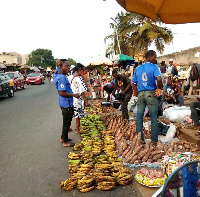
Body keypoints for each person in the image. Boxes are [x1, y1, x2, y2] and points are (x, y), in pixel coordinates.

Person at [132, 50, 162, 143]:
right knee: (153, 117)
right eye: (154, 57)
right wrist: (159, 88)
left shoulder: (138, 68)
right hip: (151, 94)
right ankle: (154, 140)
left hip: (141, 94)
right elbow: (159, 78)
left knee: (139, 117)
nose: (155, 59)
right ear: (149, 57)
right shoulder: (154, 67)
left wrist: (137, 93)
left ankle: (140, 139)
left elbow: (133, 83)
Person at [54, 59, 79, 147]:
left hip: (63, 103)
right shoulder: (62, 78)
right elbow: (61, 92)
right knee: (66, 123)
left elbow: (56, 70)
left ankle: (63, 138)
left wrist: (58, 65)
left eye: (69, 66)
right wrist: (74, 94)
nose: (68, 68)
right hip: (67, 104)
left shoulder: (57, 75)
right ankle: (65, 142)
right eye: (66, 66)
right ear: (61, 66)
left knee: (66, 122)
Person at [70, 63, 90, 134]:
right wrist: (86, 101)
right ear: (80, 70)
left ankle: (76, 128)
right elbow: (82, 91)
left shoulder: (74, 77)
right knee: (78, 115)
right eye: (84, 71)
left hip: (74, 99)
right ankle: (77, 130)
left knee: (76, 114)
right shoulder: (78, 79)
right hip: (77, 99)